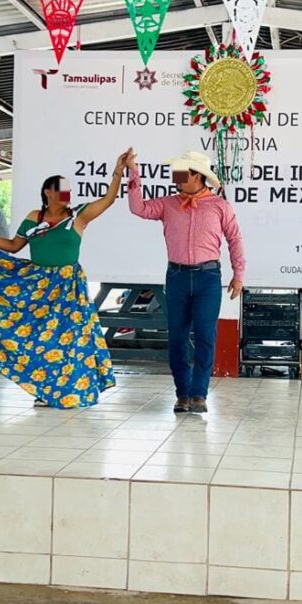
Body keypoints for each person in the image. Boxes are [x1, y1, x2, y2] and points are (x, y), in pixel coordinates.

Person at [0, 150, 131, 408]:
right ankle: (43, 389)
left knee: (70, 338)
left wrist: (118, 171)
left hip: (69, 286)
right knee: (39, 339)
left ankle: (70, 389)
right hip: (38, 286)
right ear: (48, 191)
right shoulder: (34, 218)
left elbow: (109, 199)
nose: (66, 193)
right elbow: (13, 246)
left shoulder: (77, 216)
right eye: (60, 189)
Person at [128, 151, 245, 414]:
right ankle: (183, 393)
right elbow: (138, 208)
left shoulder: (219, 205)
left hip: (208, 277)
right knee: (178, 338)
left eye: (181, 174)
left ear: (197, 176)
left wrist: (239, 276)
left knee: (206, 335)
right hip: (178, 276)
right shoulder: (168, 203)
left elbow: (235, 239)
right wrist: (133, 172)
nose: (176, 179)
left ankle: (199, 394)